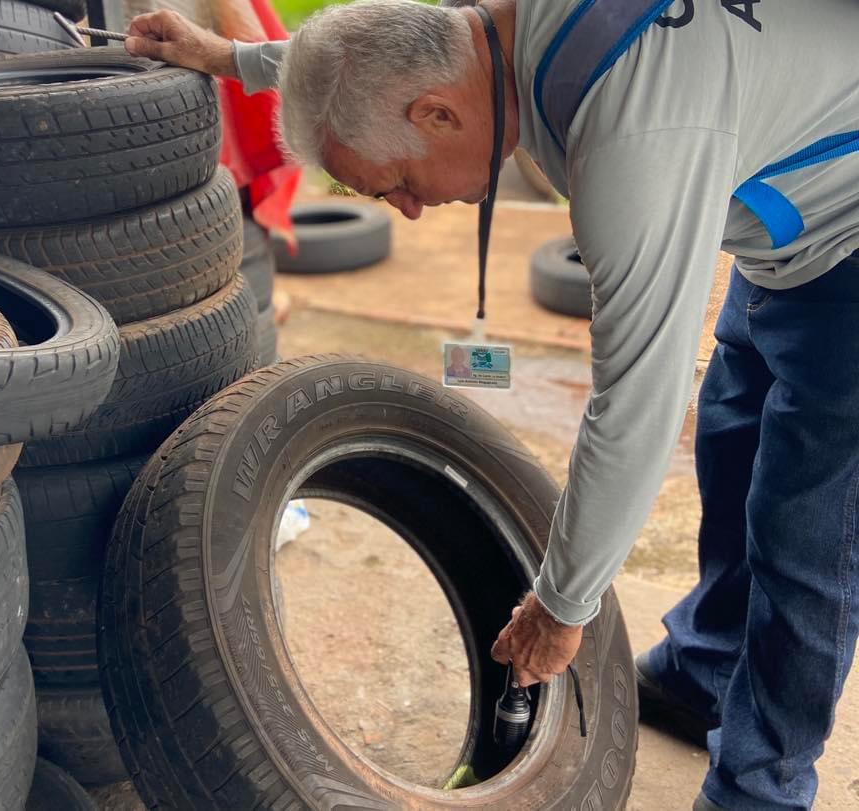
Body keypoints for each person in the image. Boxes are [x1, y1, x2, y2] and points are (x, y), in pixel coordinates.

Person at [124, 2, 859, 808]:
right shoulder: (489, 31)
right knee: (734, 441)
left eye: (398, 181)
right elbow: (370, 50)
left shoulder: (633, 148)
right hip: (786, 183)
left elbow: (638, 408)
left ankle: (761, 785)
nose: (405, 208)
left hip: (844, 232)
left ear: (438, 113)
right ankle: (706, 668)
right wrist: (230, 58)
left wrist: (561, 605)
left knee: (809, 529)